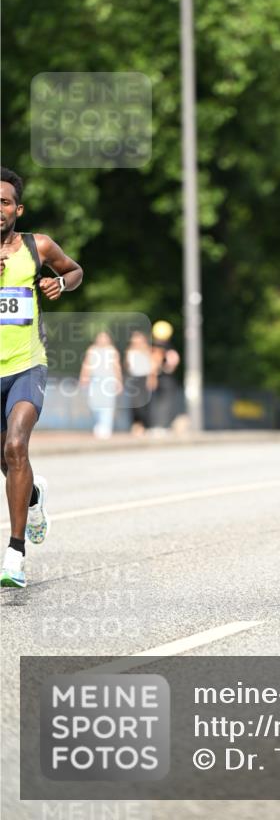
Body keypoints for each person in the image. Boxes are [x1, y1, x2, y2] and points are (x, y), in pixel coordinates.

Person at [0, 167, 83, 588]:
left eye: (4, 202)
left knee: (16, 446)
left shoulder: (38, 246)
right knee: (6, 460)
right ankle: (33, 498)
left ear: (18, 208)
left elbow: (75, 270)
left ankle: (14, 554)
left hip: (26, 365)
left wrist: (60, 286)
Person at [79, 330, 123, 439]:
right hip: (95, 381)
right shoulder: (92, 350)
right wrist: (83, 377)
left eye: (104, 337)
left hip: (109, 381)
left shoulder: (112, 351)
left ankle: (105, 427)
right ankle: (98, 424)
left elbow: (116, 367)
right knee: (94, 404)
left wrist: (119, 381)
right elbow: (86, 365)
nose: (102, 340)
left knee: (108, 405)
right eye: (100, 337)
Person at [149, 320, 180, 432]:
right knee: (165, 404)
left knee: (156, 403)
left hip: (156, 378)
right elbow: (172, 365)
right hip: (166, 379)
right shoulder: (168, 349)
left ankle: (156, 426)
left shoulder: (152, 348)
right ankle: (162, 426)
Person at [124, 329, 153, 435]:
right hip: (133, 379)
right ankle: (136, 425)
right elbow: (127, 366)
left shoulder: (147, 350)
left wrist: (151, 379)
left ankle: (145, 425)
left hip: (144, 378)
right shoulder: (129, 351)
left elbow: (151, 366)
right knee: (134, 404)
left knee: (144, 403)